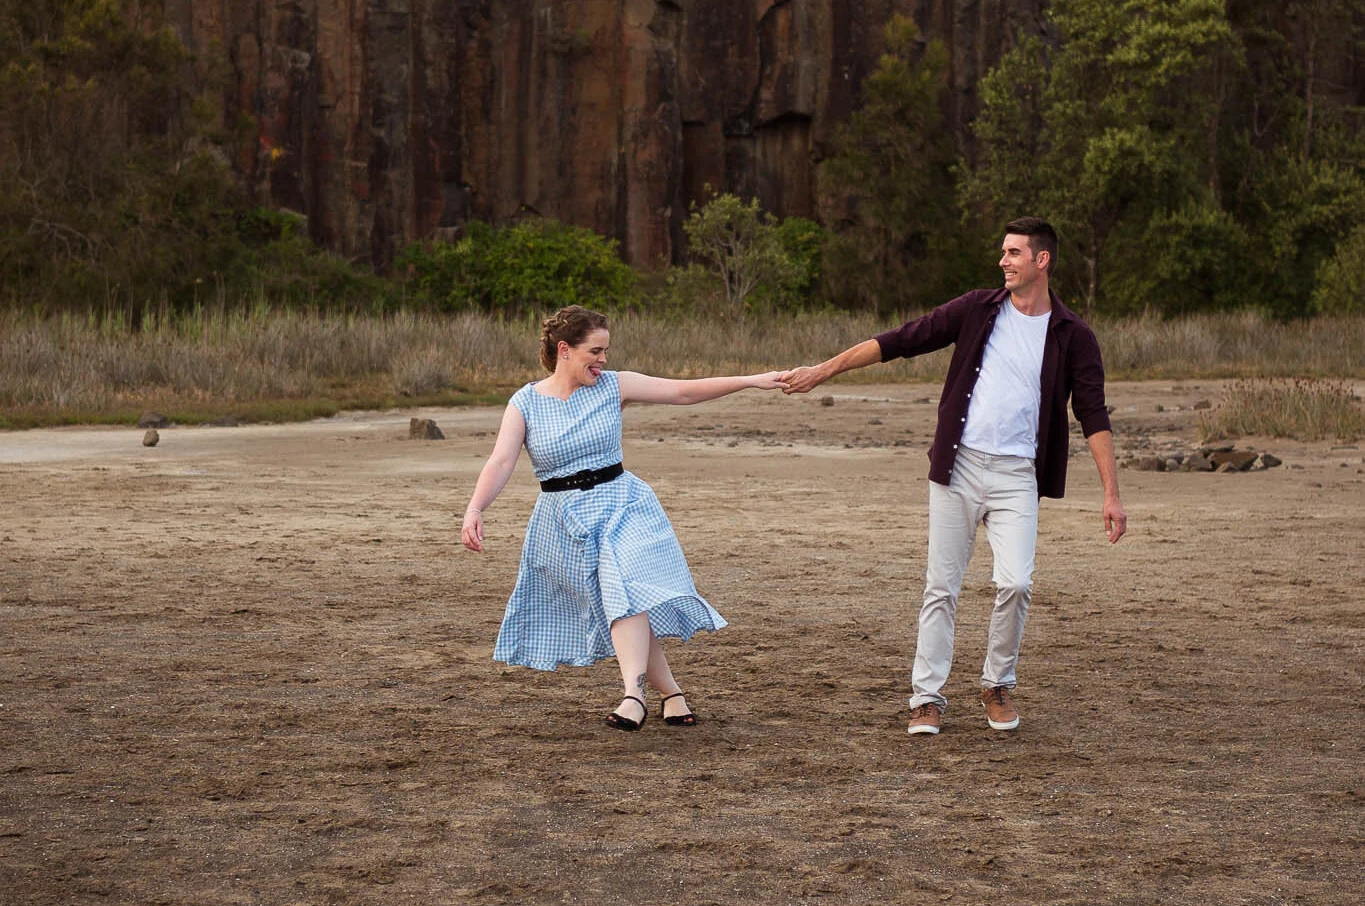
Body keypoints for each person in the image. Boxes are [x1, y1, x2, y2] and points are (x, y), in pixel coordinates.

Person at [780, 218, 1126, 736]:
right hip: (957, 466)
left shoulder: (1073, 335)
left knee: (1016, 582)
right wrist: (821, 371)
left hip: (1018, 476)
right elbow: (901, 340)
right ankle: (926, 699)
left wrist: (1111, 495)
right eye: (1003, 252)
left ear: (1042, 260)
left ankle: (996, 684)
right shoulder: (977, 309)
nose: (1003, 261)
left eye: (1013, 253)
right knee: (941, 588)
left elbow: (1093, 414)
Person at [461, 304, 784, 730]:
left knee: (623, 587)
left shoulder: (615, 385)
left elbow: (683, 392)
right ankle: (672, 694)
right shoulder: (525, 402)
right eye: (595, 351)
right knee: (624, 601)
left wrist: (751, 380)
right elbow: (501, 461)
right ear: (564, 349)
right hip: (565, 518)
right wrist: (475, 508)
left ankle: (634, 694)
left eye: (606, 351)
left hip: (622, 504)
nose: (603, 359)